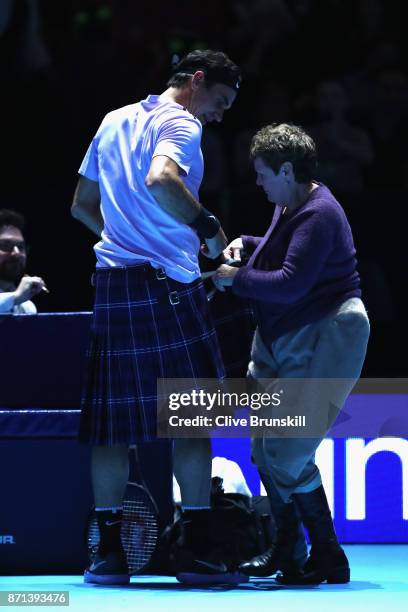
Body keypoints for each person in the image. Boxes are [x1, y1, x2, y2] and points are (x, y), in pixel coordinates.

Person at [71, 49, 243, 586]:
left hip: (115, 285)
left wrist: (125, 239)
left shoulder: (112, 119)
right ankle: (192, 550)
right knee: (190, 424)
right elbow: (162, 177)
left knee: (111, 429)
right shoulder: (180, 121)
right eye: (219, 101)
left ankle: (108, 554)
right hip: (169, 287)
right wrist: (209, 228)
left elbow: (81, 204)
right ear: (196, 81)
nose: (218, 115)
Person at [213, 123, 370, 584]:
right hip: (279, 335)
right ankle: (310, 553)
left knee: (284, 452)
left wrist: (232, 278)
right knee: (264, 451)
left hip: (322, 334)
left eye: (262, 173)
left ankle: (308, 549)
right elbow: (285, 256)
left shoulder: (320, 212)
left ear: (285, 169)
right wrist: (251, 243)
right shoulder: (291, 201)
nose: (257, 182)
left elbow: (291, 283)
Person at [0, 208, 47, 313]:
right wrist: (15, 297)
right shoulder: (17, 298)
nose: (16, 253)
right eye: (5, 245)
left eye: (20, 246)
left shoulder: (27, 307)